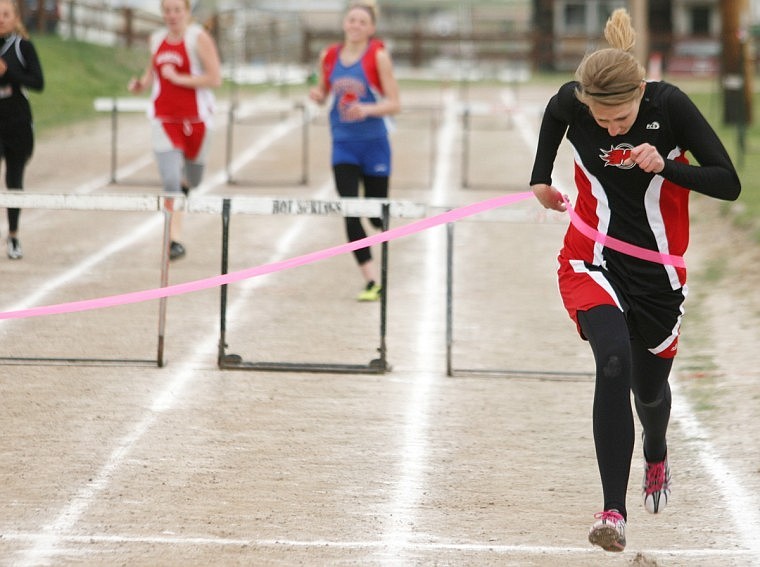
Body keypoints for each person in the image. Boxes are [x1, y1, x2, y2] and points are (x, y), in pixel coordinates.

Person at [529, 9, 740, 553]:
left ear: (640, 92)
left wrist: (666, 166)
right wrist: (540, 178)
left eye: (620, 119)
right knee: (613, 360)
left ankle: (656, 448)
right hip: (589, 257)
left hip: (657, 273)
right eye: (601, 120)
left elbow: (729, 182)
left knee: (649, 389)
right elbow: (555, 118)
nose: (611, 128)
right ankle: (612, 512)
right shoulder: (573, 102)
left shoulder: (669, 105)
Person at [309, 0, 400, 301]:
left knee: (376, 216)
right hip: (344, 145)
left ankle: (383, 258)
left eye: (363, 21)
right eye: (352, 20)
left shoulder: (378, 56)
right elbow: (324, 92)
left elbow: (395, 104)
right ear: (344, 23)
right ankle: (372, 280)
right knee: (350, 212)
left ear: (371, 28)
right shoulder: (329, 55)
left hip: (375, 145)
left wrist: (367, 109)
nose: (356, 25)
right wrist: (318, 95)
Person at [128, 0, 221, 261]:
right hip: (164, 118)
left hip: (196, 119)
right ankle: (174, 240)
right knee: (170, 180)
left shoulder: (198, 38)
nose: (172, 16)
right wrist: (139, 84)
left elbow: (215, 79)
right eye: (167, 11)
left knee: (193, 180)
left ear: (187, 12)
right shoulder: (156, 39)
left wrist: (180, 79)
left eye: (177, 10)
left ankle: (183, 191)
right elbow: (151, 74)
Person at [0, 0, 44, 259]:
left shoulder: (22, 47)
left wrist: (9, 72)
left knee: (13, 180)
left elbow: (37, 82)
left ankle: (14, 236)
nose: (1, 19)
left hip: (17, 122)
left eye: (6, 14)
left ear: (16, 17)